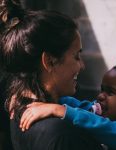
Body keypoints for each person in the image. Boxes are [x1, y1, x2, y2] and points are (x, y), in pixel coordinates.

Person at [0, 0, 103, 150]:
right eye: (76, 56)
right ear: (49, 61)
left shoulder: (17, 108)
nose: (82, 65)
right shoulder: (63, 134)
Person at [20, 56, 116, 150]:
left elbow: (106, 128)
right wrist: (49, 99)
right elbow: (84, 108)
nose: (101, 96)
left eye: (110, 92)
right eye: (102, 89)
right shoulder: (111, 112)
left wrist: (59, 110)